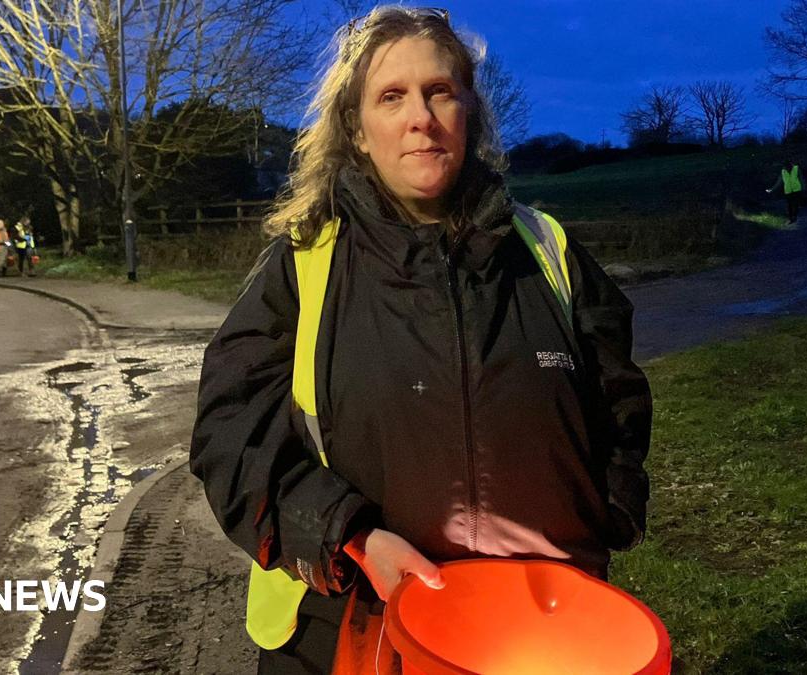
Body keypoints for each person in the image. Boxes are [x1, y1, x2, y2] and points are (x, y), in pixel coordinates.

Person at [190, 7, 652, 673]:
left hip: (535, 637)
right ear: (357, 129)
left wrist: (610, 507)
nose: (421, 118)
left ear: (470, 110)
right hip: (351, 632)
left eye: (440, 91)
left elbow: (620, 399)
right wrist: (345, 535)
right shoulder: (302, 265)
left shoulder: (548, 249)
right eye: (391, 96)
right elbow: (230, 436)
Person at [766, 160, 805, 224]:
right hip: (788, 190)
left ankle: (794, 217)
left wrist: (803, 187)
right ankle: (790, 219)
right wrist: (772, 189)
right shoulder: (783, 171)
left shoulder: (796, 168)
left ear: (790, 166)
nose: (785, 168)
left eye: (786, 167)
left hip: (797, 189)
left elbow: (801, 178)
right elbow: (779, 182)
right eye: (785, 167)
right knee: (789, 205)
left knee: (795, 204)